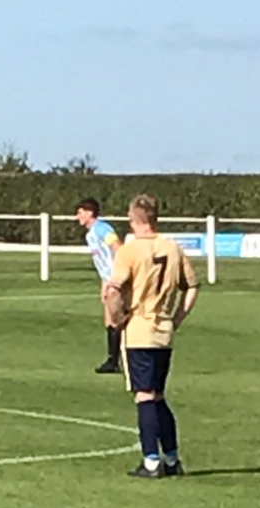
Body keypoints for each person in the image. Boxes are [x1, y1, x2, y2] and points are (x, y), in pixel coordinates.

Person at [105, 194, 200, 479]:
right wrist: (177, 318)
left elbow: (113, 289)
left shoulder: (130, 251)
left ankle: (150, 462)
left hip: (139, 328)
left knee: (144, 396)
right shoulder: (173, 248)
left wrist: (116, 318)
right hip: (164, 331)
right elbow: (192, 286)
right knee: (158, 396)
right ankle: (172, 459)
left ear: (133, 220)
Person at [75, 197, 123, 373]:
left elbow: (118, 247)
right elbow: (102, 262)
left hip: (118, 280)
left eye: (80, 212)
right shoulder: (90, 235)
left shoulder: (102, 228)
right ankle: (113, 360)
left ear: (89, 213)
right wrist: (104, 283)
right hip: (109, 280)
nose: (77, 216)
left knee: (117, 319)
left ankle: (118, 360)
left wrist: (117, 278)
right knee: (109, 320)